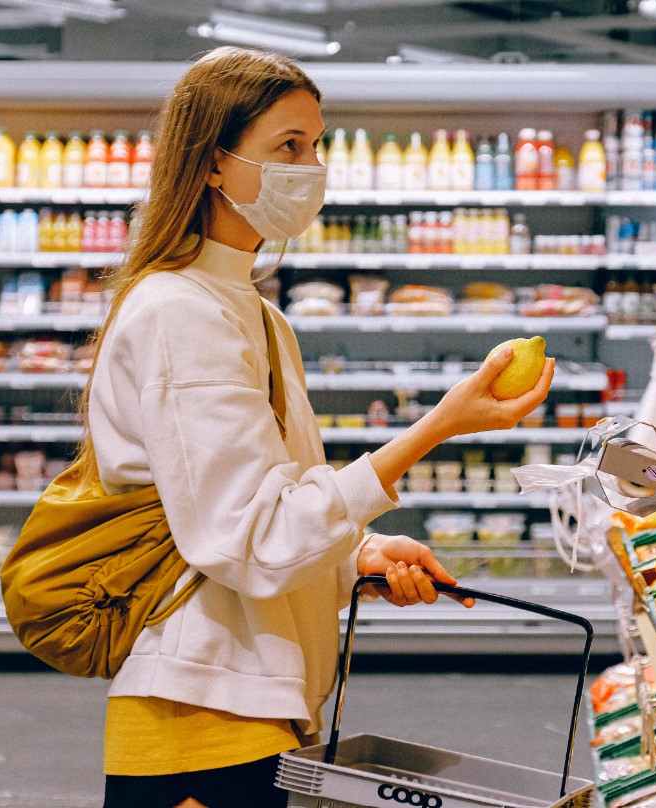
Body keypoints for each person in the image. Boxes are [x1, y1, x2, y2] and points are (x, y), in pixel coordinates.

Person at [85, 47, 554, 808]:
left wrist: (354, 555)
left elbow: (256, 516)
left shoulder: (255, 314)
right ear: (212, 163)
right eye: (288, 147)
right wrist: (436, 427)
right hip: (201, 717)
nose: (312, 168)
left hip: (257, 704)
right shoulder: (180, 313)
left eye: (318, 144)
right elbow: (249, 539)